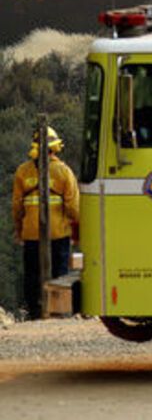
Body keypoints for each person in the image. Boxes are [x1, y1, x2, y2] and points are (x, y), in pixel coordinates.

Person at [11, 126, 79, 319]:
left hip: (31, 233)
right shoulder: (64, 172)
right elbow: (74, 207)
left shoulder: (22, 172)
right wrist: (78, 231)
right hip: (59, 233)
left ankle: (34, 313)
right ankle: (59, 313)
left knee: (32, 275)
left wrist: (19, 230)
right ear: (55, 148)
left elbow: (17, 207)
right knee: (59, 275)